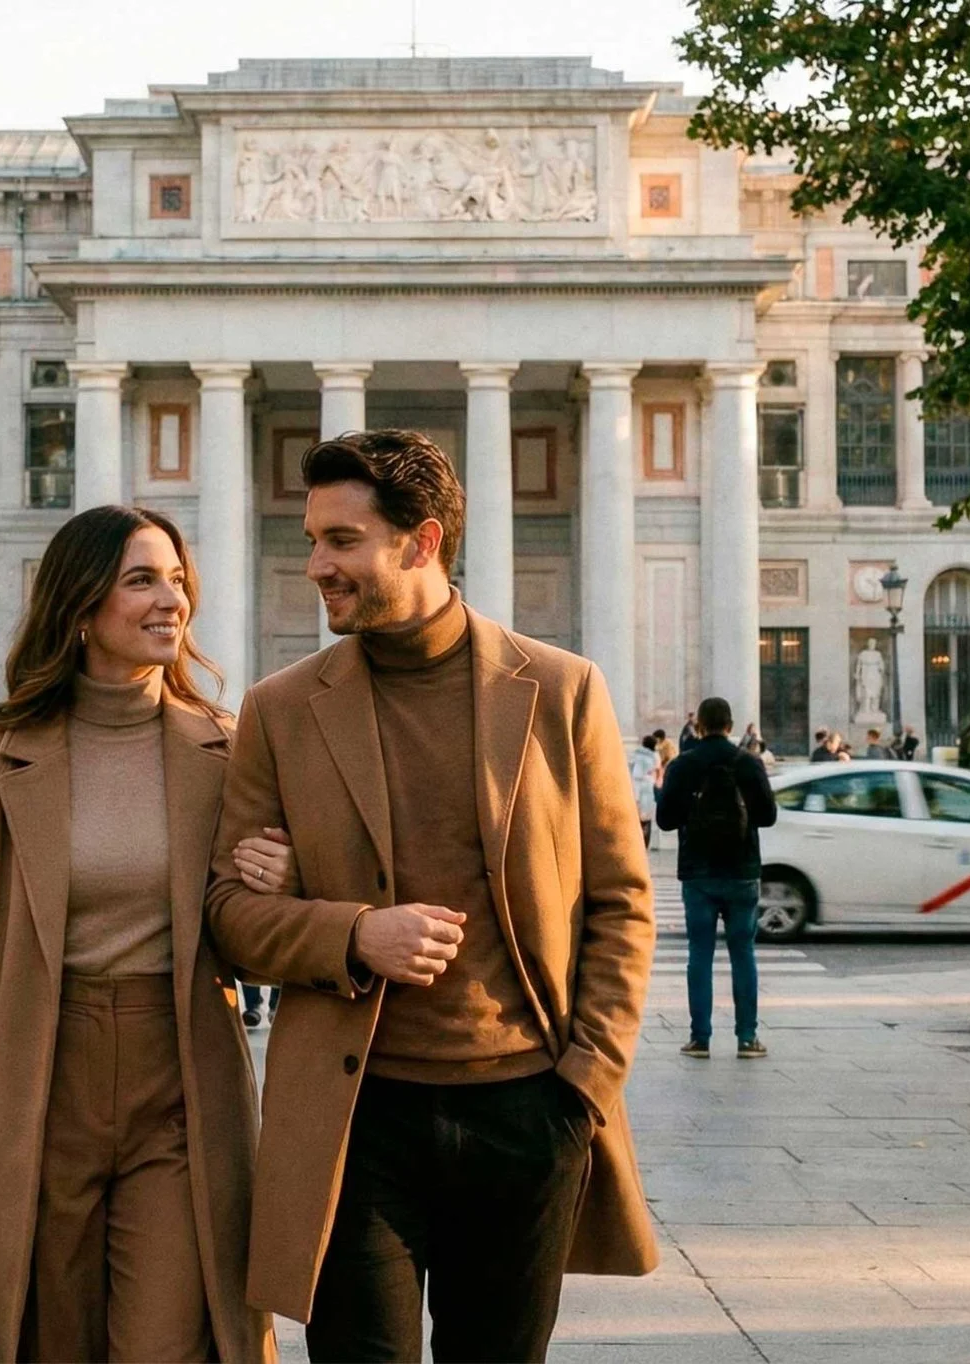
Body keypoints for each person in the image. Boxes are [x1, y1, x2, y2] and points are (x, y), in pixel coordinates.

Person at [204, 431, 658, 1361]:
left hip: (527, 1113)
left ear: (423, 542)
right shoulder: (281, 711)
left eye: (342, 541)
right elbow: (229, 916)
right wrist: (354, 934)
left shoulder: (563, 690)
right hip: (354, 1119)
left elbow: (620, 901)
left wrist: (584, 1088)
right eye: (312, 539)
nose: (315, 565)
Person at [0, 505, 296, 1363]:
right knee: (45, 1335)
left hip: (180, 1082)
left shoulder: (226, 750)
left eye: (178, 579)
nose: (171, 600)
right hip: (37, 1079)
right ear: (80, 605)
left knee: (172, 1340)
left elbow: (252, 927)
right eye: (142, 580)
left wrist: (277, 883)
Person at [654, 697, 780, 1060]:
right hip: (742, 870)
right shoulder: (749, 763)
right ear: (729, 724)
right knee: (743, 953)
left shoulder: (684, 765)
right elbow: (767, 816)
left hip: (698, 872)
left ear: (700, 726)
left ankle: (700, 1038)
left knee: (700, 955)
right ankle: (747, 1038)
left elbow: (665, 820)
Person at [627, 733, 660, 852]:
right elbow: (657, 769)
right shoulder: (655, 756)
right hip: (648, 785)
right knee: (647, 817)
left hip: (636, 785)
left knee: (636, 815)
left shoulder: (636, 754)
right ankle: (645, 843)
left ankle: (636, 842)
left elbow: (629, 767)